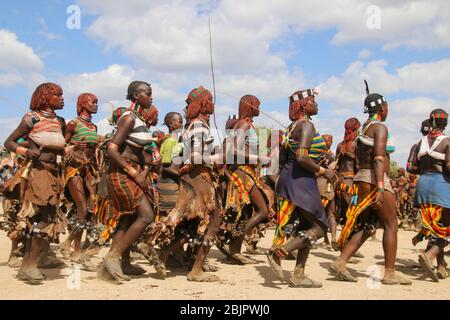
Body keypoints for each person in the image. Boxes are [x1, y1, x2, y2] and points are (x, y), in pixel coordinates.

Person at [329, 81, 411, 285]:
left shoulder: (363, 129)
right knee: (391, 225)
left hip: (361, 179)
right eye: (387, 107)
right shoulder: (380, 128)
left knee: (367, 226)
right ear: (382, 108)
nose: (388, 110)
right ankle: (390, 273)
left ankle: (341, 261)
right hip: (375, 180)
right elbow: (379, 158)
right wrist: (382, 187)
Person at [147, 86, 224, 282]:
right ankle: (196, 270)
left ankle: (164, 253)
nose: (213, 104)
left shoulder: (190, 126)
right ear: (203, 103)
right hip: (200, 180)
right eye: (210, 100)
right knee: (212, 223)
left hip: (192, 178)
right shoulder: (199, 125)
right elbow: (196, 156)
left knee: (192, 225)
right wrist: (219, 157)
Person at [267, 87, 334, 288]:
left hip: (290, 178)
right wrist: (324, 171)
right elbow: (301, 157)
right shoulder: (306, 125)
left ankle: (298, 274)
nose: (316, 104)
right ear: (304, 105)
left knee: (306, 228)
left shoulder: (291, 127)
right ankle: (279, 251)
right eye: (313, 101)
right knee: (321, 226)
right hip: (301, 181)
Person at [4, 83, 66, 283]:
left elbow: (59, 146)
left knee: (46, 219)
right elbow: (9, 142)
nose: (62, 98)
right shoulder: (31, 118)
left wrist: (70, 150)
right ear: (45, 97)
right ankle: (29, 265)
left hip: (55, 173)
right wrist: (26, 151)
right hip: (38, 172)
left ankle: (28, 265)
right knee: (46, 219)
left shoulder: (60, 121)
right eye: (58, 95)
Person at [100, 81, 158, 282]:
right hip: (121, 174)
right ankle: (114, 256)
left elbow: (138, 152)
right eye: (147, 94)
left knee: (128, 219)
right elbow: (112, 149)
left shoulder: (139, 119)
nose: (151, 97)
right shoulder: (128, 118)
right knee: (146, 215)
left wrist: (150, 163)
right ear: (135, 95)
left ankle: (120, 264)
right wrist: (135, 171)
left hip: (132, 174)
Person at [219, 95, 273, 264]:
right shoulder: (243, 124)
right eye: (258, 105)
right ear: (250, 106)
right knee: (262, 211)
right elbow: (231, 150)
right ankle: (233, 245)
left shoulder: (245, 124)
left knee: (249, 213)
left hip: (247, 172)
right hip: (243, 173)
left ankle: (235, 248)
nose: (259, 108)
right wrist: (257, 158)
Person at [408, 109, 450, 281]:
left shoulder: (420, 143)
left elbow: (411, 167)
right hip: (441, 186)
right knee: (446, 228)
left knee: (437, 226)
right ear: (445, 123)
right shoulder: (447, 142)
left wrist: (427, 169)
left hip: (423, 186)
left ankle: (441, 267)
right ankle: (430, 255)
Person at [60, 93, 99, 270]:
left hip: (88, 170)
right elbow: (61, 146)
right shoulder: (73, 124)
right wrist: (74, 146)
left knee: (90, 210)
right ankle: (74, 248)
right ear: (83, 104)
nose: (96, 105)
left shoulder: (94, 126)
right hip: (73, 169)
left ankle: (72, 246)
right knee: (82, 208)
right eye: (93, 102)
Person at [317, 134, 338, 250]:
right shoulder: (318, 154)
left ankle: (333, 238)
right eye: (326, 140)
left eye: (330, 140)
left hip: (327, 186)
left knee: (330, 213)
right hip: (320, 185)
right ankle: (326, 238)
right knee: (325, 214)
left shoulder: (330, 155)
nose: (329, 142)